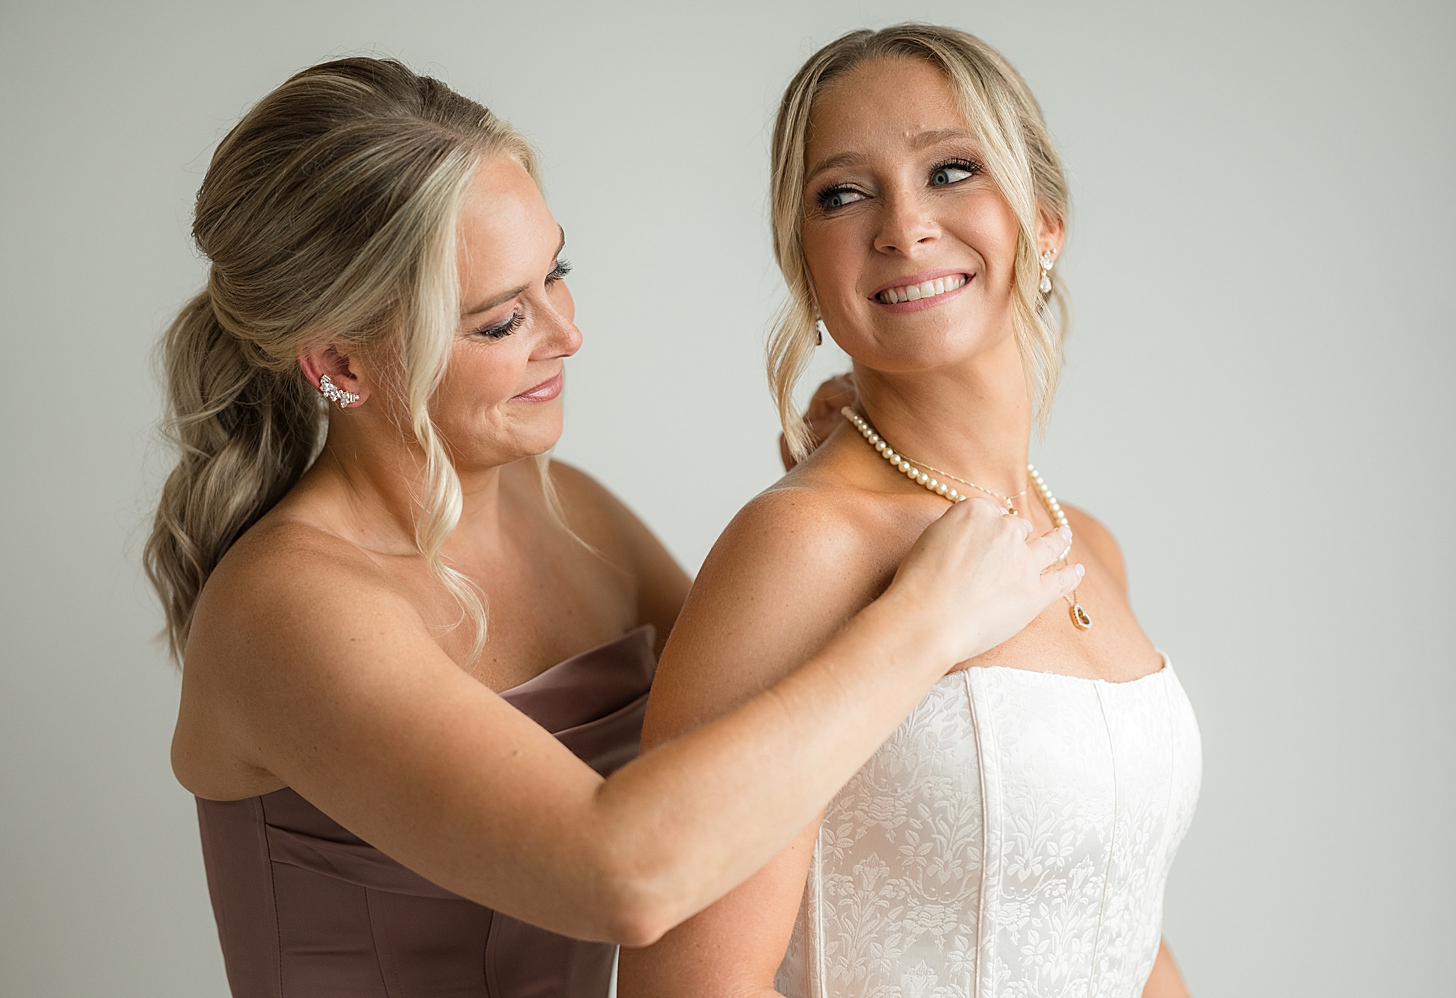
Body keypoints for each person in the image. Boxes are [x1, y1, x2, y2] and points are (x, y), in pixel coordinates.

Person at [144, 56, 1083, 998]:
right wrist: (919, 625)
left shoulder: (571, 513)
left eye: (556, 273)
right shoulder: (286, 608)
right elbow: (625, 877)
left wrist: (853, 515)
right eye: (500, 321)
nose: (565, 334)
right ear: (341, 360)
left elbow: (766, 731)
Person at [619, 25, 1200, 998]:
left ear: (1044, 221)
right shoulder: (801, 544)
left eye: (951, 169)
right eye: (842, 195)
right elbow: (686, 981)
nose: (902, 225)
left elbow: (1123, 929)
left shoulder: (1087, 542)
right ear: (804, 266)